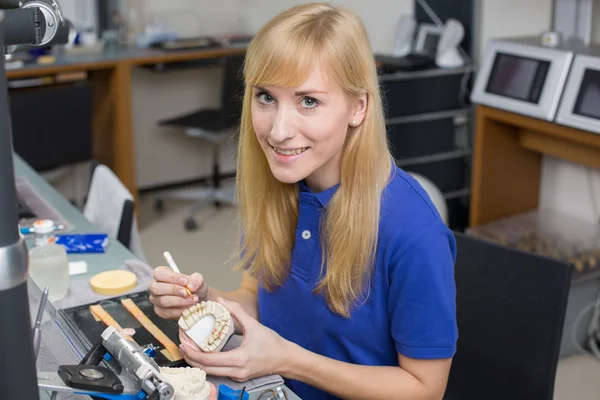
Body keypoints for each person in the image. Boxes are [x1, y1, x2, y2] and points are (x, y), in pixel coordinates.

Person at [149, 2, 458, 399]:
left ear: (358, 107)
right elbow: (259, 298)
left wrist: (287, 360)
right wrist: (208, 304)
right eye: (265, 97)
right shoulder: (282, 183)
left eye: (308, 101)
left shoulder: (414, 233)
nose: (278, 131)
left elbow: (425, 390)